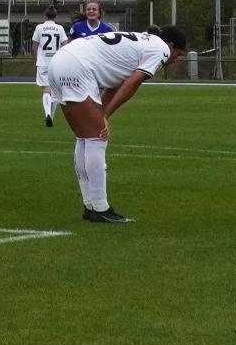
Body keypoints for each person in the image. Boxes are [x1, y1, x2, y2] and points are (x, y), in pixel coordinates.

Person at [48, 25, 186, 223]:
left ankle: (90, 205)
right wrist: (105, 116)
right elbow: (132, 84)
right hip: (77, 66)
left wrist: (102, 113)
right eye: (178, 55)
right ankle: (101, 208)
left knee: (85, 136)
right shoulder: (161, 49)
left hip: (60, 60)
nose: (175, 60)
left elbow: (116, 82)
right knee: (98, 137)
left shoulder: (141, 41)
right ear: (171, 46)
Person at [32, 6, 68, 126]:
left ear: (45, 16)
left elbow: (35, 46)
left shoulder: (39, 27)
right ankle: (51, 117)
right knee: (55, 91)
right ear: (55, 16)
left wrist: (36, 60)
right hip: (56, 62)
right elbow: (65, 44)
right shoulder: (60, 28)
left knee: (46, 90)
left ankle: (47, 113)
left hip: (43, 62)